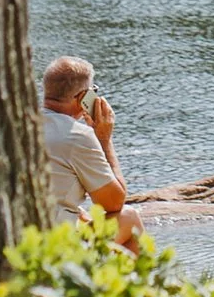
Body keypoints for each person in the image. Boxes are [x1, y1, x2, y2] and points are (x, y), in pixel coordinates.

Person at [41, 56, 142, 245]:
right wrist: (104, 139)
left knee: (84, 217)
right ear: (82, 98)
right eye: (93, 91)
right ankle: (134, 275)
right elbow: (114, 202)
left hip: (16, 240)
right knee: (129, 218)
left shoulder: (21, 124)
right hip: (53, 247)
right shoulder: (77, 135)